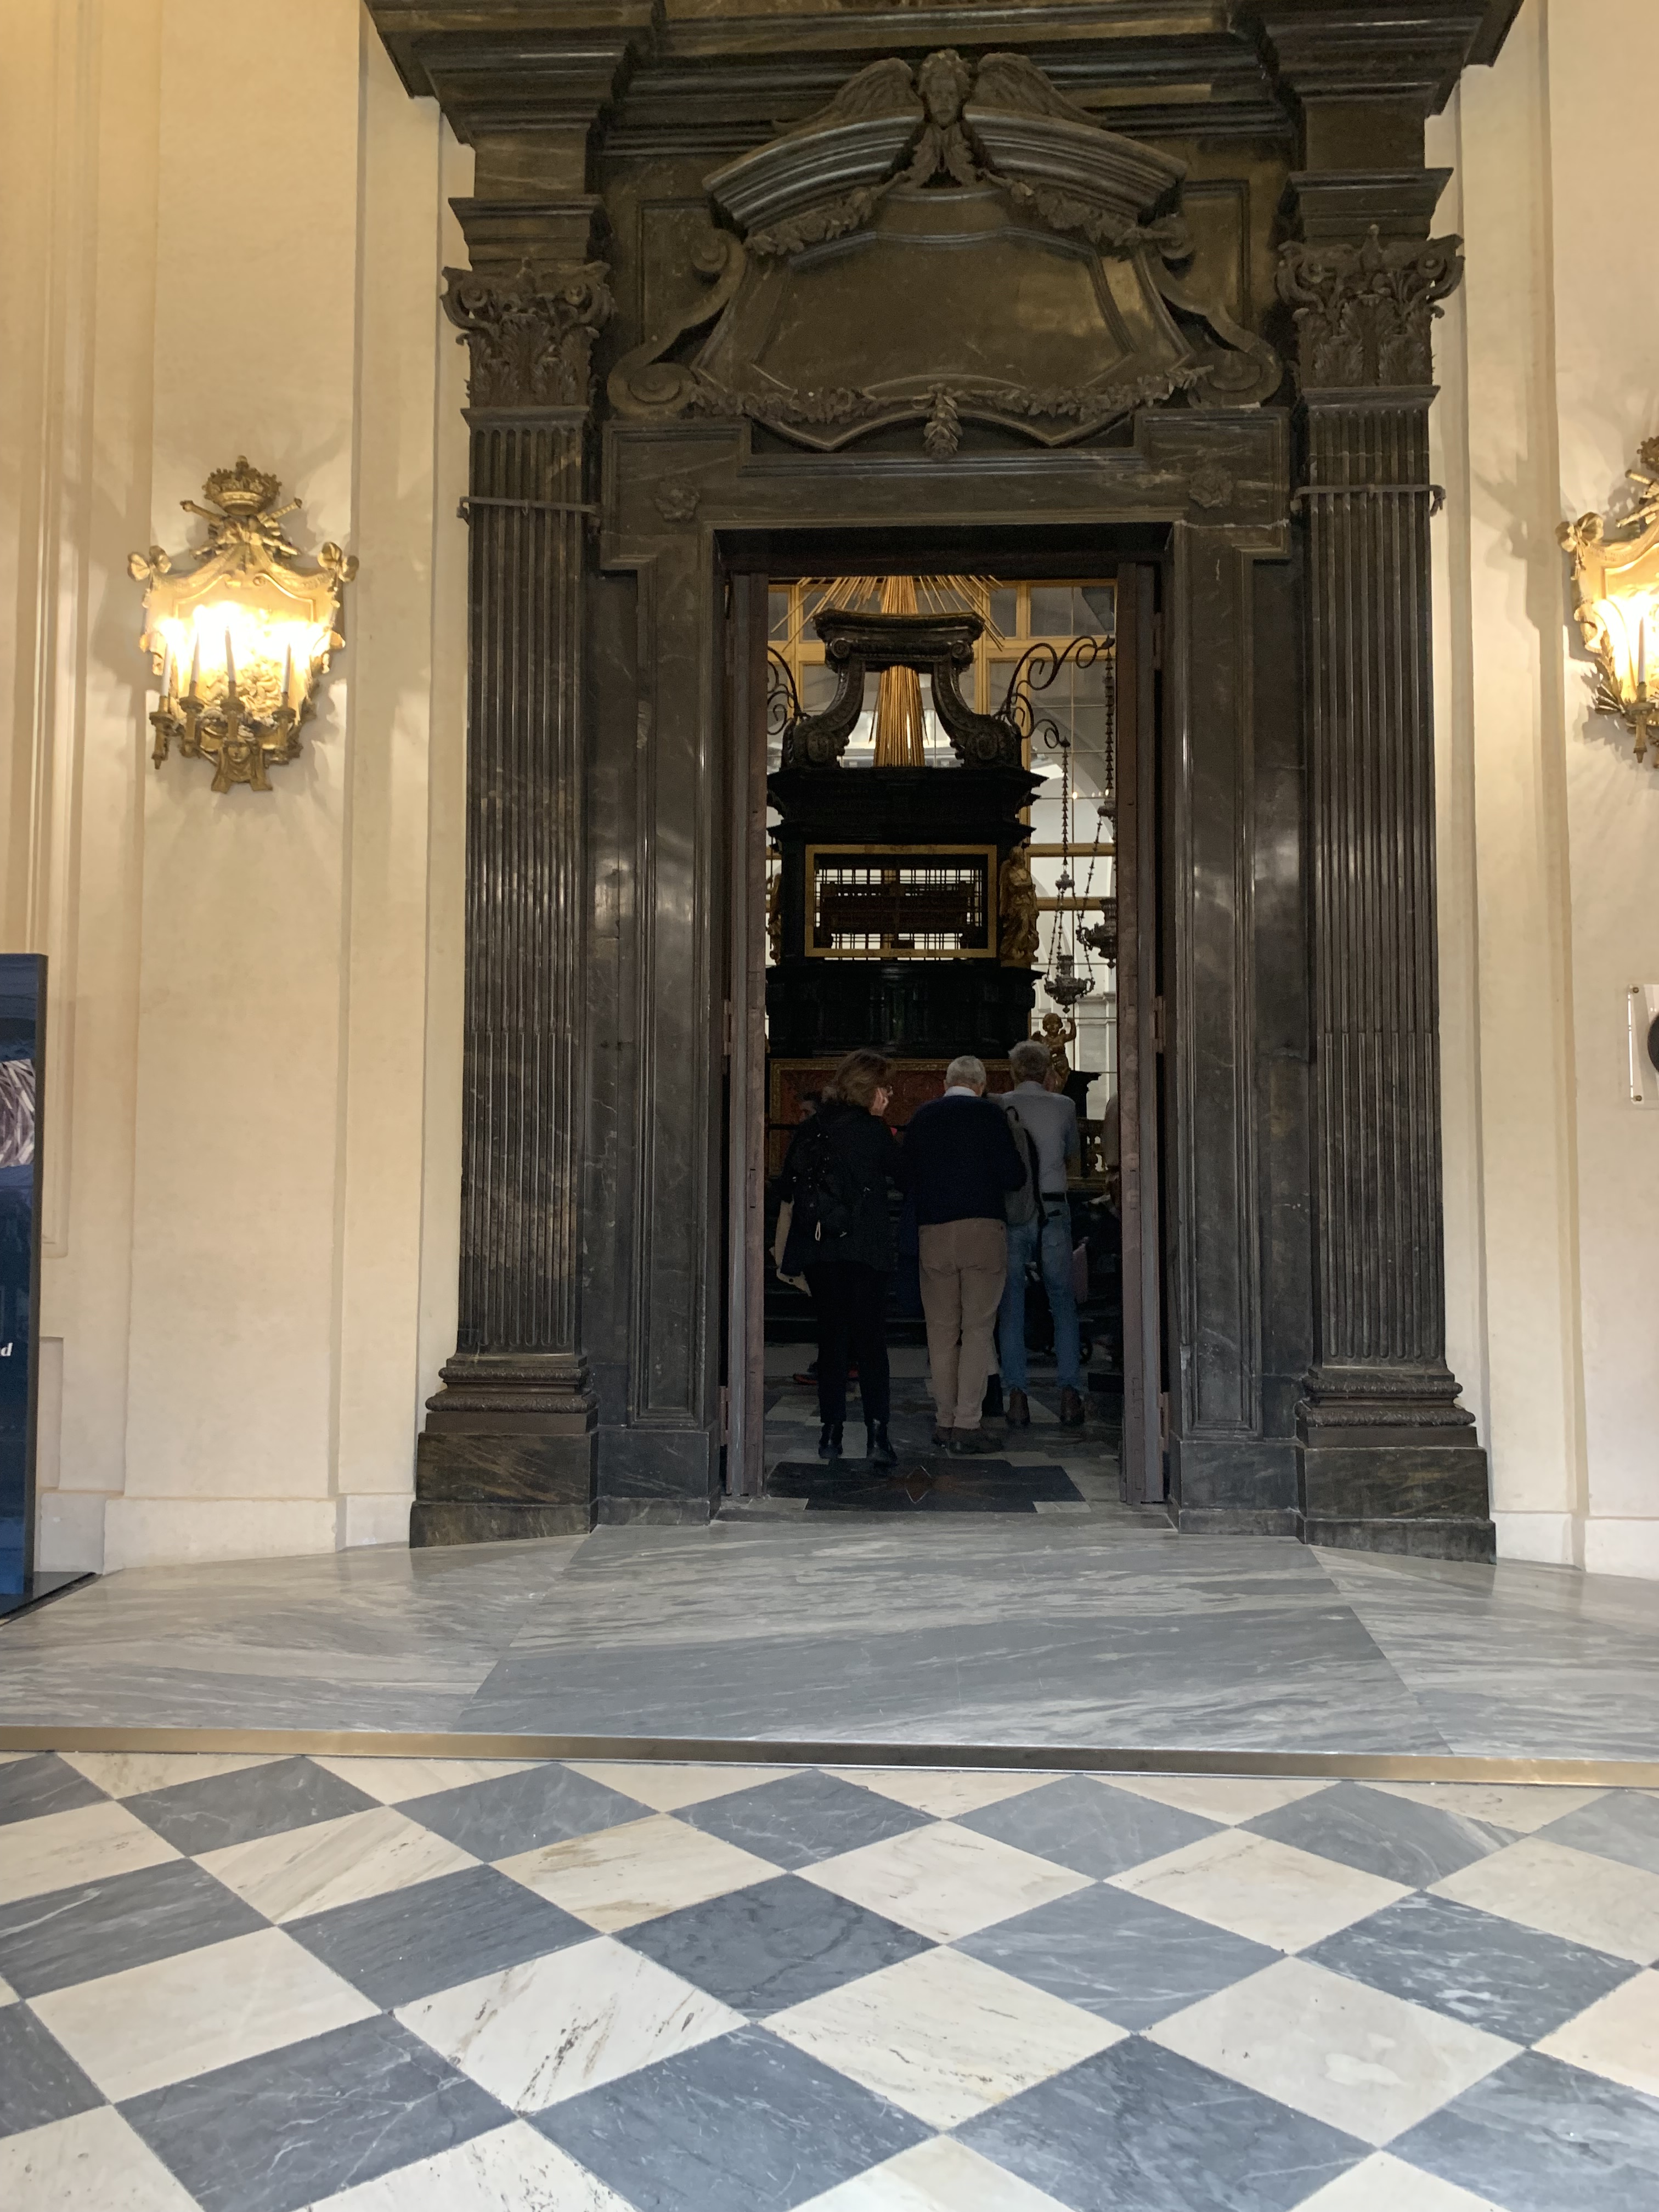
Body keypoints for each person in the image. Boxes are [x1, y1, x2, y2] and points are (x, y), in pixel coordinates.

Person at [778, 1049, 904, 1466]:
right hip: (866, 1248)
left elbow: (787, 1183)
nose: (889, 1095)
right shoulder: (873, 1131)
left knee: (831, 1339)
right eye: (886, 1087)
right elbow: (905, 1174)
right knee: (871, 1342)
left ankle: (830, 1433)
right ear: (872, 1090)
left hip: (821, 1246)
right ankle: (877, 1436)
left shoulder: (812, 1127)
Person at [901, 1054, 1025, 1453]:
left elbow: (904, 1175)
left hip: (934, 1231)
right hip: (983, 1230)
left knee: (940, 1332)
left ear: (945, 1083)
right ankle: (967, 1424)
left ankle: (944, 1420)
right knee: (977, 1329)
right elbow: (1015, 1176)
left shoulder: (923, 1117)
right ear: (982, 1085)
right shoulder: (992, 1116)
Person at [996, 1039, 1086, 1427]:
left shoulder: (1001, 1105)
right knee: (1062, 1300)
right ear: (1048, 1071)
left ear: (1014, 1071)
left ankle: (1017, 1397)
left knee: (1012, 1301)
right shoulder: (1064, 1105)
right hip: (1054, 1207)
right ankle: (1069, 1395)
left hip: (1016, 1210)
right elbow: (1071, 1152)